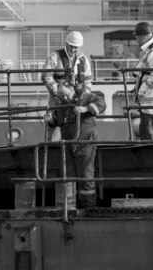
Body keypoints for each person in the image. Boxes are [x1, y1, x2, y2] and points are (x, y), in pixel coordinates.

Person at [44, 80, 106, 208]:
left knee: (85, 175)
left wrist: (85, 108)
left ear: (71, 88)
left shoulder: (86, 97)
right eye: (61, 95)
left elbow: (101, 104)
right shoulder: (62, 103)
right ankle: (70, 207)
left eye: (65, 94)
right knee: (68, 175)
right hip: (68, 143)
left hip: (85, 141)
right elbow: (56, 119)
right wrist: (50, 119)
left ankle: (89, 206)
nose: (64, 97)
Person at [42, 31, 93, 140]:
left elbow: (88, 81)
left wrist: (84, 97)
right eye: (71, 46)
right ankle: (52, 152)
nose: (73, 49)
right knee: (53, 133)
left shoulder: (83, 60)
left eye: (76, 47)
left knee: (75, 133)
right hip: (57, 102)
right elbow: (46, 76)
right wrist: (58, 92)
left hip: (75, 102)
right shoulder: (55, 57)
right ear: (66, 44)